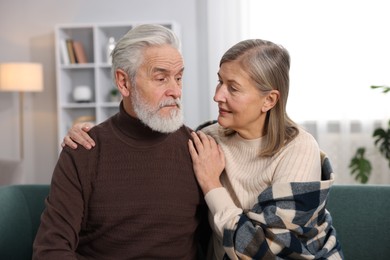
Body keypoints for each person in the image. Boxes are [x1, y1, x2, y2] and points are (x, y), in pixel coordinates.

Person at [63, 39, 344, 259]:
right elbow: (146, 141)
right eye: (220, 80)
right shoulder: (207, 139)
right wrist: (94, 135)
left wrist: (212, 185)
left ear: (269, 100)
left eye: (233, 88)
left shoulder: (298, 149)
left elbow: (266, 253)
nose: (217, 95)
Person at [33, 24, 209, 260]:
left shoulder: (199, 150)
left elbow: (217, 246)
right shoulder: (84, 150)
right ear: (124, 83)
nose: (176, 91)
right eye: (161, 78)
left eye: (178, 78)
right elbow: (51, 250)